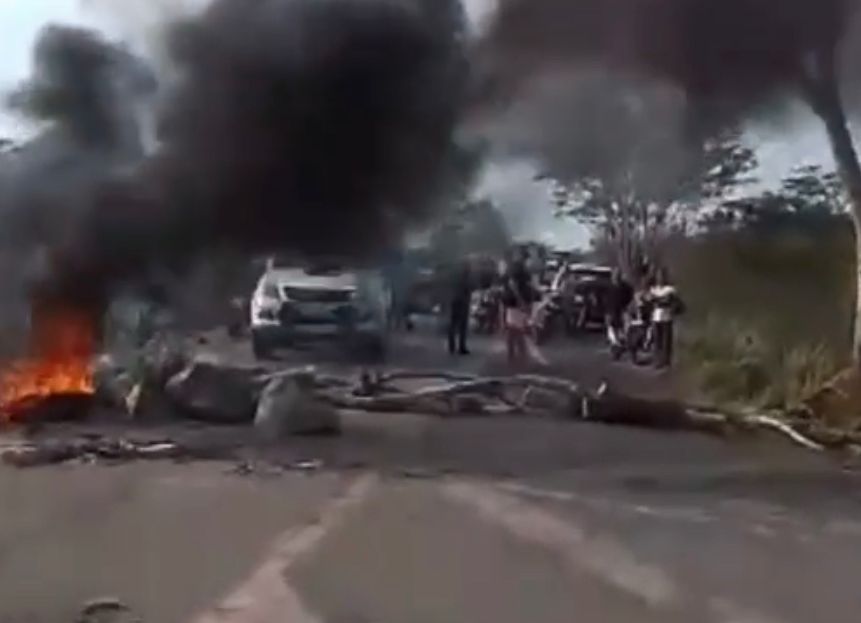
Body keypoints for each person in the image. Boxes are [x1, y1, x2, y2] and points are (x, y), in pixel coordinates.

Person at [501, 252, 537, 364]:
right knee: (515, 329)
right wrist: (521, 300)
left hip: (514, 302)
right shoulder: (517, 269)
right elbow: (513, 285)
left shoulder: (520, 269)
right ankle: (517, 354)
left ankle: (515, 354)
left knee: (516, 329)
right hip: (515, 303)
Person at [647, 269, 684, 368]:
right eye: (658, 276)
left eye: (662, 276)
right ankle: (658, 361)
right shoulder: (653, 290)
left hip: (667, 317)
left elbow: (677, 303)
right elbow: (648, 303)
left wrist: (671, 307)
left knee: (666, 340)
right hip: (656, 318)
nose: (660, 279)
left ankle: (666, 360)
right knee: (657, 341)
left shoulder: (670, 290)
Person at [604, 268, 634, 357]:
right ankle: (615, 348)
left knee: (623, 330)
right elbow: (605, 300)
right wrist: (606, 313)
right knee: (612, 330)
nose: (616, 276)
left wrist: (629, 306)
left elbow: (630, 296)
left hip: (622, 310)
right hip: (611, 311)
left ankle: (622, 345)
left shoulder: (625, 287)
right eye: (615, 274)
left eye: (618, 274)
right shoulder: (608, 287)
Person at [447, 260, 473, 355]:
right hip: (462, 301)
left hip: (454, 300)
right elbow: (469, 287)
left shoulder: (453, 276)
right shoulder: (466, 276)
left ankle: (451, 346)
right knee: (462, 325)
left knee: (453, 324)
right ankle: (461, 347)